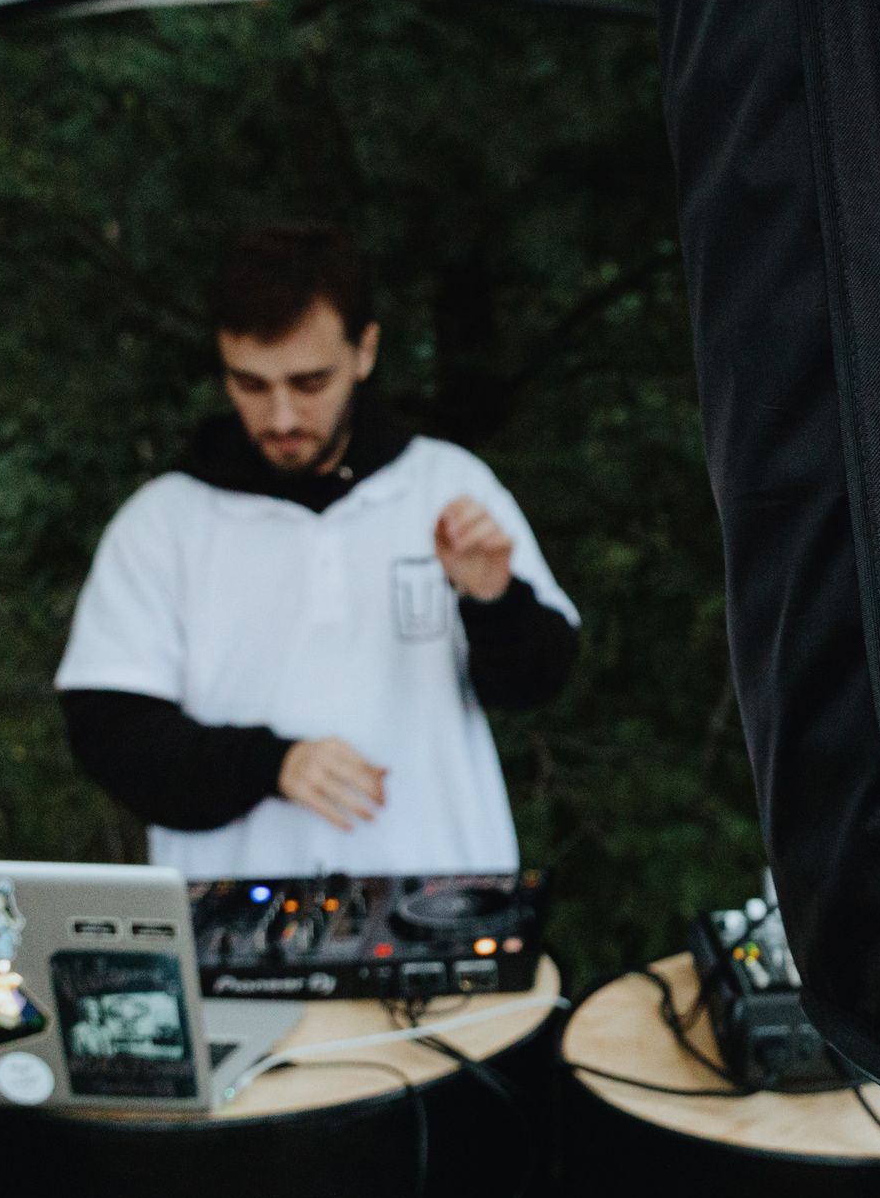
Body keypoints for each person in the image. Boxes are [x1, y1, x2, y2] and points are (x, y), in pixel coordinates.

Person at [54, 223, 579, 878]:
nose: (280, 418)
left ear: (365, 351)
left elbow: (539, 682)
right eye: (250, 384)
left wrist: (494, 600)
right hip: (232, 942)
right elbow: (111, 736)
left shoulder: (447, 486)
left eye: (308, 383)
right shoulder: (164, 520)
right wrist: (271, 764)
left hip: (446, 913)